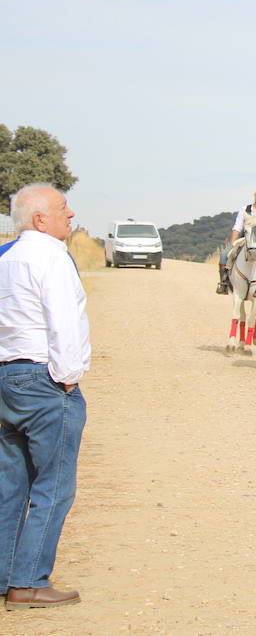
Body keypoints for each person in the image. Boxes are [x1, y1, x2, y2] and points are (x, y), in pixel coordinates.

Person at [0, 184, 89, 609]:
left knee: (10, 485)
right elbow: (63, 323)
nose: (70, 214)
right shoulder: (51, 257)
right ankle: (29, 580)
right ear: (40, 219)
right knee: (53, 486)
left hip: (5, 378)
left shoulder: (7, 257)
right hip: (43, 381)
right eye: (62, 208)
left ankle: (3, 576)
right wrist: (68, 379)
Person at [216, 186, 256, 294]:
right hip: (244, 239)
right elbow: (237, 227)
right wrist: (232, 244)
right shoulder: (244, 209)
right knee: (224, 254)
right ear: (254, 195)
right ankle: (224, 282)